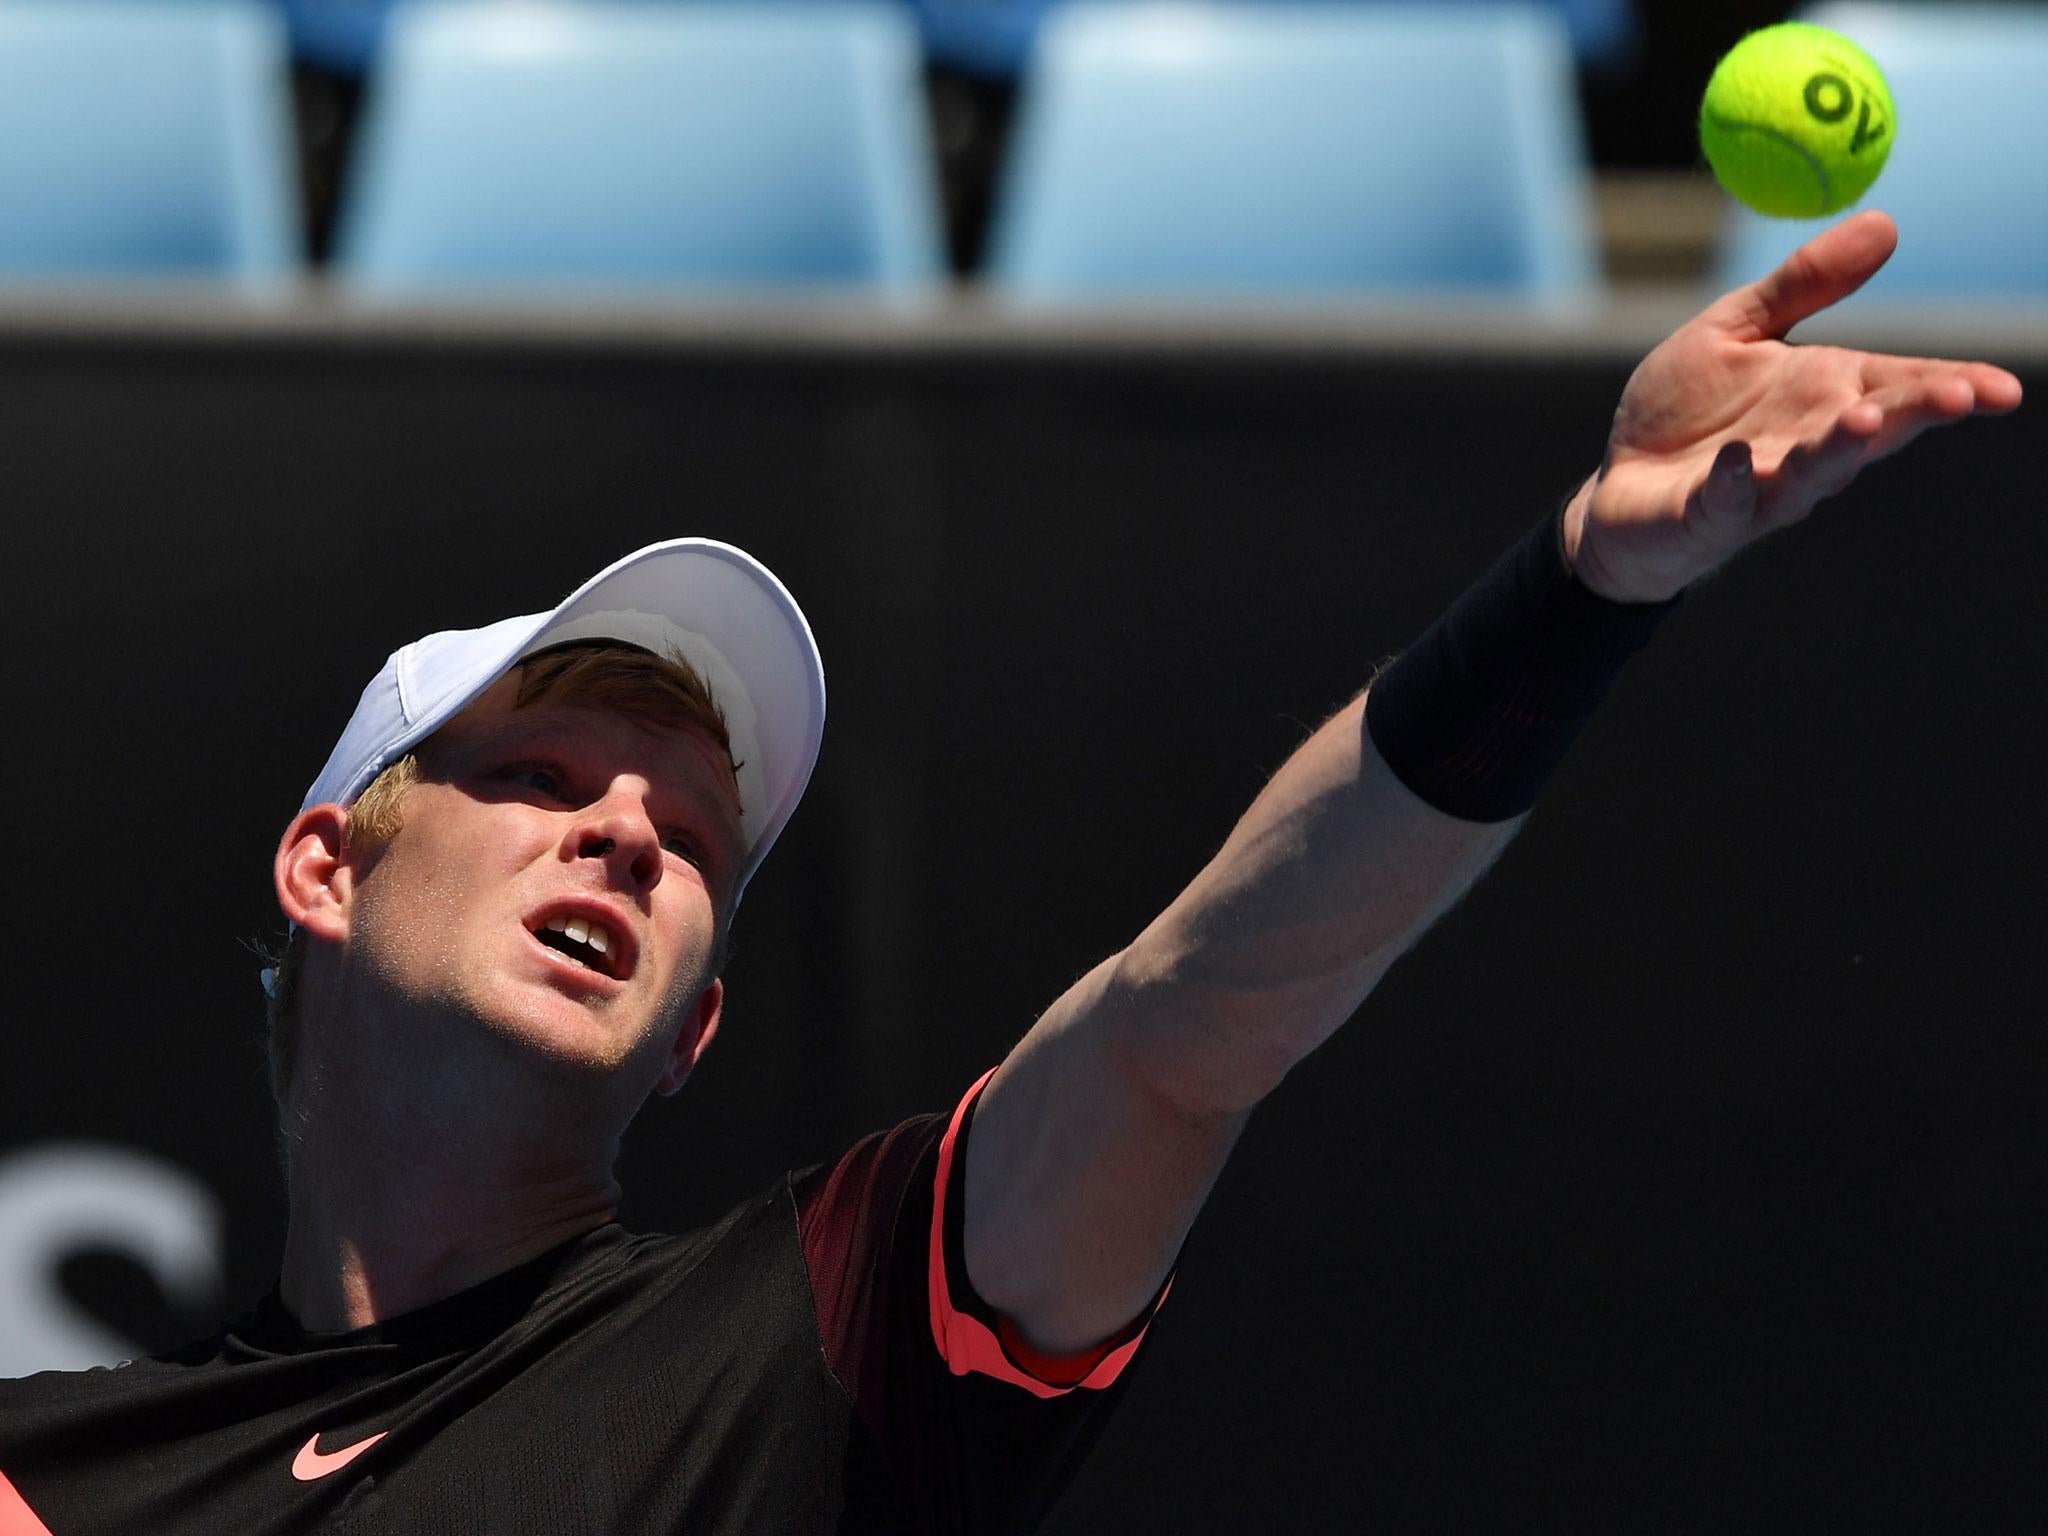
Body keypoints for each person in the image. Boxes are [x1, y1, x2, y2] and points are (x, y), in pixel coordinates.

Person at [0, 212, 2022, 1534]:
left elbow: (1181, 1030)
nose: (624, 827)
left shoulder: (815, 1328)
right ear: (324, 872)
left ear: (697, 1025)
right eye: (536, 776)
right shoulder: (47, 1477)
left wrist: (1583, 588)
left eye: (691, 839)